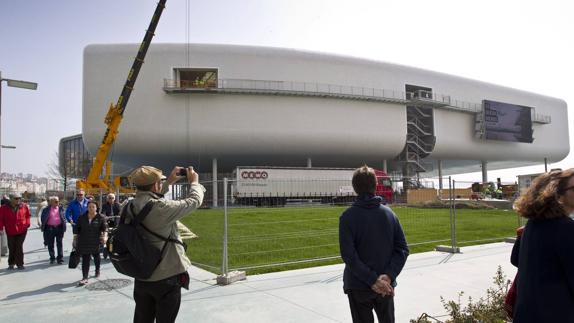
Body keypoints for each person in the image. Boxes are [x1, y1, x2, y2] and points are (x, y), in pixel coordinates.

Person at [125, 165, 205, 323]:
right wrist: (194, 182)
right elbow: (194, 201)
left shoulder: (128, 206)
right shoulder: (162, 208)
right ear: (155, 185)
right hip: (166, 277)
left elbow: (148, 204)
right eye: (159, 182)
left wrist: (168, 183)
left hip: (142, 275)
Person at [339, 166, 409, 323]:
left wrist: (372, 280)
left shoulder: (347, 217)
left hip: (358, 285)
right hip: (386, 285)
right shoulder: (390, 214)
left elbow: (349, 256)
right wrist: (388, 276)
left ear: (355, 187)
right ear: (375, 186)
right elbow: (402, 249)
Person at [511, 169, 574, 322]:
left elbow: (515, 259)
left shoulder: (532, 224)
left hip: (527, 314)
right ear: (556, 194)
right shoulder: (567, 228)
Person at [74, 200, 107, 286]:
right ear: (87, 208)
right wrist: (74, 240)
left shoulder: (101, 217)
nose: (91, 208)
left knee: (96, 256)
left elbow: (104, 229)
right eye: (89, 207)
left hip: (96, 241)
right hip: (84, 241)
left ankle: (97, 270)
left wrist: (105, 236)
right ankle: (85, 277)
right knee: (85, 259)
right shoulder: (82, 217)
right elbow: (77, 229)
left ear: (96, 208)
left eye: (93, 207)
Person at [0, 193, 31, 270]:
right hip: (10, 230)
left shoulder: (24, 206)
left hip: (22, 230)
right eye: (16, 198)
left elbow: (27, 216)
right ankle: (11, 263)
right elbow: (1, 219)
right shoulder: (4, 208)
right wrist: (1, 228)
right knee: (11, 247)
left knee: (19, 246)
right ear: (11, 199)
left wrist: (27, 224)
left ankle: (20, 264)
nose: (18, 200)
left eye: (19, 198)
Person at [40, 196, 67, 264]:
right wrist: (44, 226)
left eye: (58, 201)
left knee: (59, 243)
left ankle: (60, 258)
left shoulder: (61, 209)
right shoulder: (46, 209)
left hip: (59, 228)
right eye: (55, 201)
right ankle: (52, 258)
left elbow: (63, 217)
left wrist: (64, 226)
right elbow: (43, 218)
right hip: (50, 228)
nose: (57, 203)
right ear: (51, 202)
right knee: (50, 244)